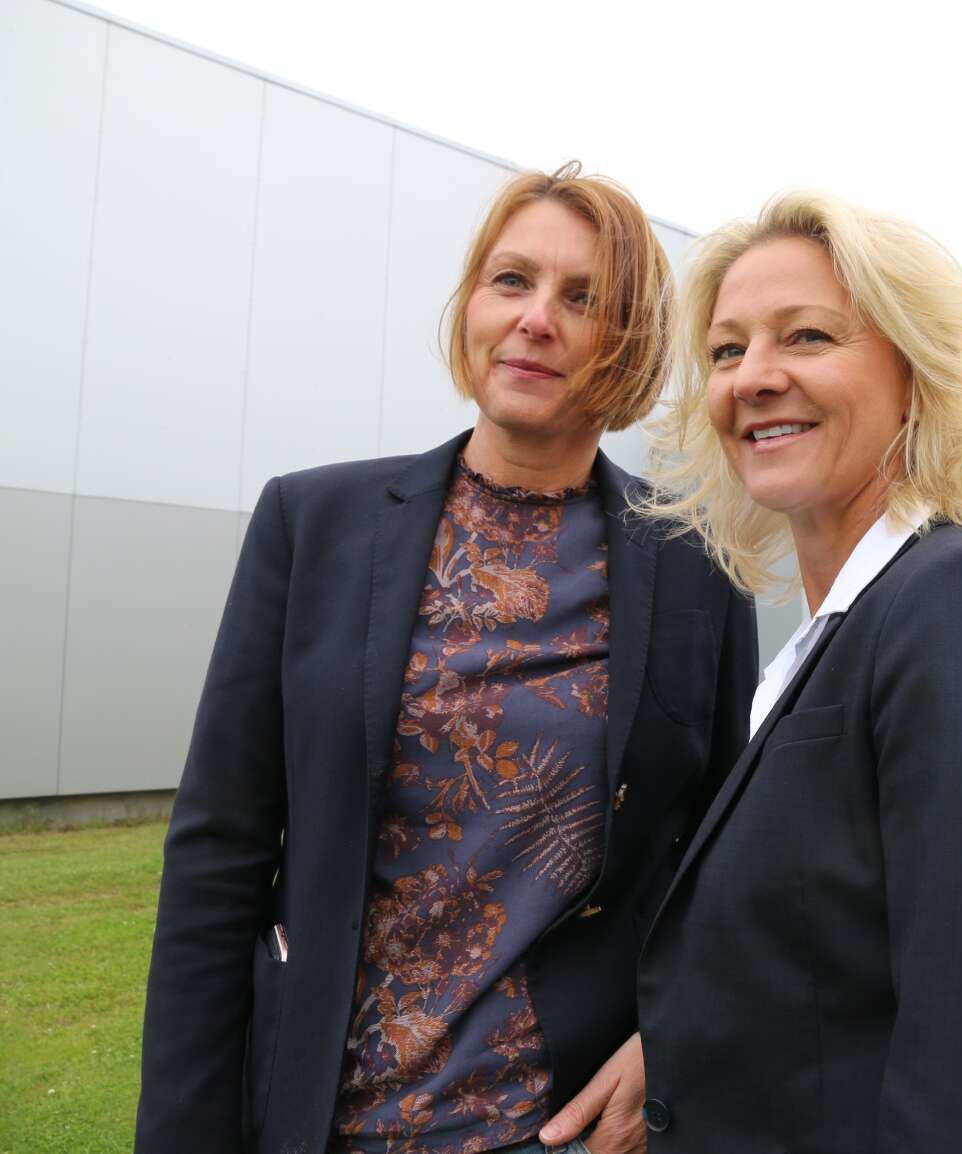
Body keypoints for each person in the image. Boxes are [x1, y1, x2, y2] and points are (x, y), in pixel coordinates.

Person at [135, 164, 756, 1154]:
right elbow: (219, 853)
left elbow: (726, 862)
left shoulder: (696, 566)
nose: (535, 318)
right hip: (322, 1117)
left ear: (631, 342)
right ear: (470, 305)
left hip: (553, 1128)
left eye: (583, 298)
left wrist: (668, 1041)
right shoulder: (312, 523)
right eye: (511, 280)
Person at [633, 193, 962, 1152]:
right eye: (726, 351)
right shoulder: (833, 641)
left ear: (914, 377)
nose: (753, 377)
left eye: (807, 336)